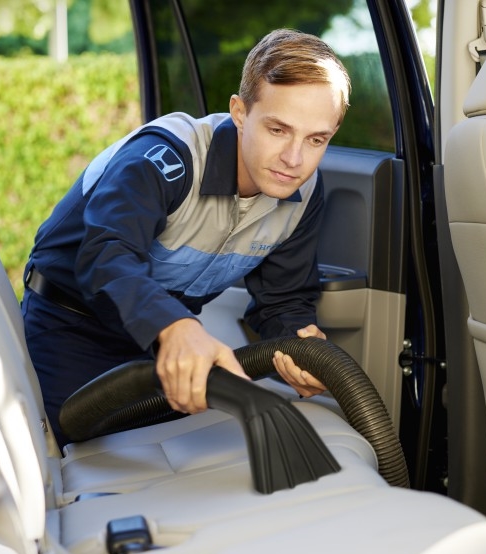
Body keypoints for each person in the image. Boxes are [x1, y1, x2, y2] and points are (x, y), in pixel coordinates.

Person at [22, 28, 351, 447]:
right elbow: (107, 255)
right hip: (69, 327)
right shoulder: (166, 158)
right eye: (278, 130)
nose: (294, 159)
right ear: (240, 112)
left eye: (316, 140)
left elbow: (283, 297)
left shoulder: (303, 194)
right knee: (93, 450)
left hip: (160, 342)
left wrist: (299, 342)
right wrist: (174, 326)